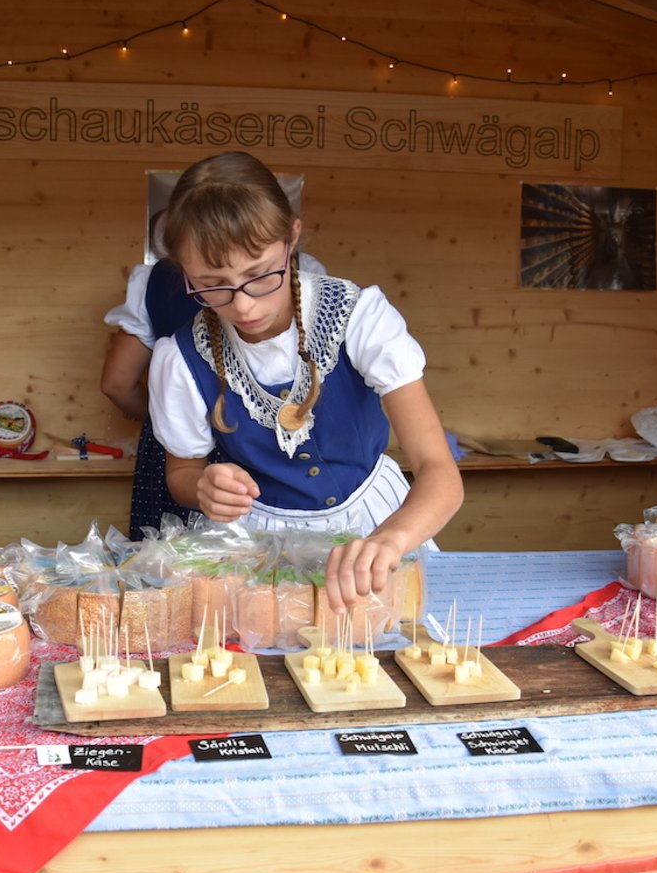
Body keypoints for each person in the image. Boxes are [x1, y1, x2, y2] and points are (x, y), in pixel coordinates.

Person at [146, 151, 463, 610]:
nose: (244, 307)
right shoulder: (181, 357)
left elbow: (441, 474)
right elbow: (181, 471)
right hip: (257, 542)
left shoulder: (358, 318)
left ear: (292, 239)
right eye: (212, 284)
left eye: (259, 275)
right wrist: (202, 487)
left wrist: (389, 541)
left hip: (379, 522)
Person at [101, 215, 328, 539]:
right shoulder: (302, 268)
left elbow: (116, 383)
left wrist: (169, 419)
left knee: (171, 574)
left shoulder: (154, 281)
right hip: (276, 442)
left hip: (181, 463)